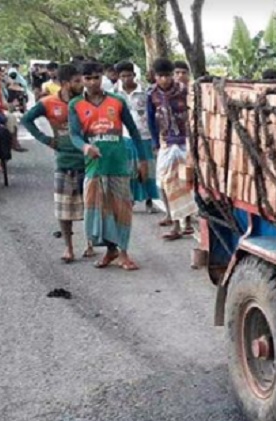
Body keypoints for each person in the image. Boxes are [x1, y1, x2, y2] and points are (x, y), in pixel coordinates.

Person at [69, 62, 147, 271]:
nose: (92, 82)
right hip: (94, 166)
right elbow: (74, 135)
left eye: (96, 77)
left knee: (122, 210)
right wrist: (86, 147)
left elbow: (134, 132)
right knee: (98, 210)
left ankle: (123, 252)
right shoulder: (75, 104)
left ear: (102, 77)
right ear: (82, 80)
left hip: (119, 164)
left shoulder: (117, 101)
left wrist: (142, 161)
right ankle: (110, 250)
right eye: (88, 78)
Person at [23, 64, 95, 262]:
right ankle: (68, 247)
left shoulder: (87, 102)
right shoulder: (48, 103)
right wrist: (45, 139)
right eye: (77, 81)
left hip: (88, 160)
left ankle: (90, 243)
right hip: (64, 160)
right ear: (64, 83)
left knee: (91, 205)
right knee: (64, 208)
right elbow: (27, 120)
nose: (82, 85)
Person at [147, 58, 197, 240]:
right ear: (155, 76)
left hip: (185, 141)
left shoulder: (184, 91)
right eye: (161, 76)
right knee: (167, 182)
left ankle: (188, 222)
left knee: (186, 181)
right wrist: (155, 143)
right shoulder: (152, 94)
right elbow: (151, 120)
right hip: (166, 142)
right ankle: (175, 222)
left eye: (167, 75)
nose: (164, 80)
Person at [117, 61, 159, 212]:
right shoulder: (115, 94)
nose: (126, 79)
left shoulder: (146, 92)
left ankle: (149, 200)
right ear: (119, 77)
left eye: (129, 75)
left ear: (134, 75)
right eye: (123, 76)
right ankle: (130, 200)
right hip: (125, 136)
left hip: (144, 135)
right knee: (128, 169)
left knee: (147, 169)